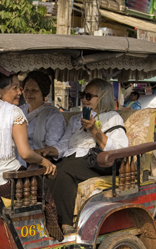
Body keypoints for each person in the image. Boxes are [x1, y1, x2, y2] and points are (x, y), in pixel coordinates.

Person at [50, 78, 129, 235]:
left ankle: (65, 224)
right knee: (49, 170)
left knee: (64, 171)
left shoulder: (112, 117)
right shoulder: (75, 120)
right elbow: (63, 145)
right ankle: (47, 220)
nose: (84, 100)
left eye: (88, 96)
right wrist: (44, 152)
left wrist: (95, 130)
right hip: (72, 158)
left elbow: (119, 148)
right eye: (82, 95)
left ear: (102, 98)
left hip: (97, 162)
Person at [0, 74, 56, 197]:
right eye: (15, 88)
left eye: (19, 87)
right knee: (47, 197)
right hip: (6, 182)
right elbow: (25, 154)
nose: (20, 92)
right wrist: (45, 162)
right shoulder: (14, 112)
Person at [20, 71, 66, 160]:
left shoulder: (53, 116)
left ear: (43, 92)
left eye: (34, 90)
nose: (29, 94)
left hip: (40, 160)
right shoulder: (19, 111)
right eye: (26, 90)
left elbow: (50, 148)